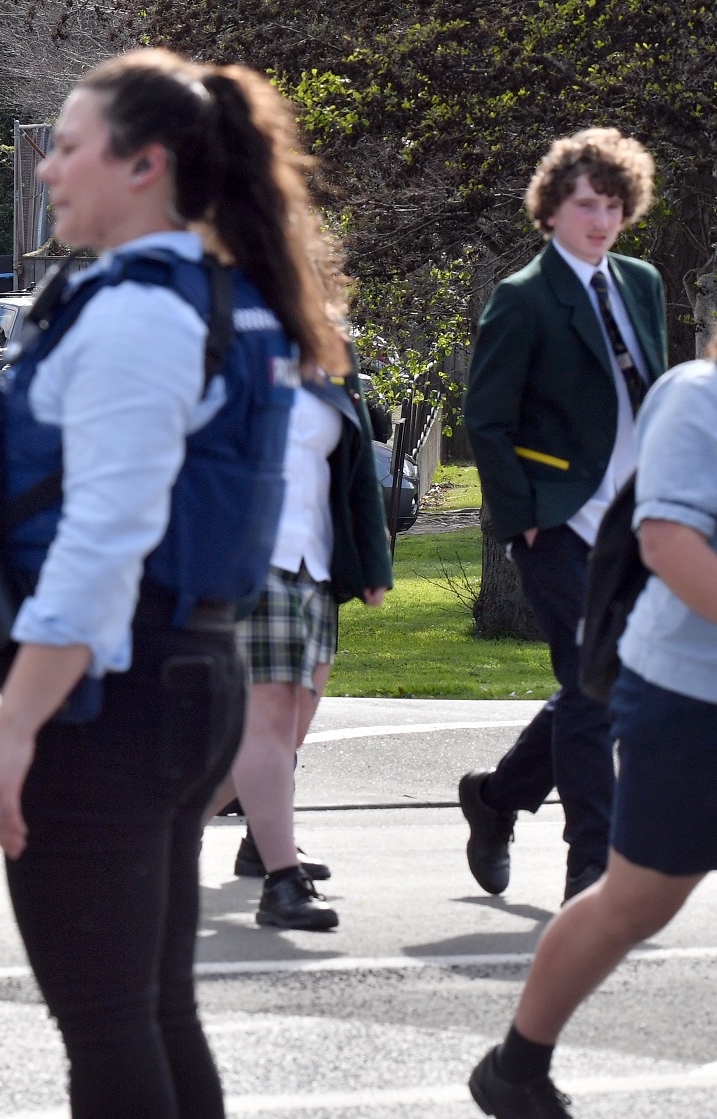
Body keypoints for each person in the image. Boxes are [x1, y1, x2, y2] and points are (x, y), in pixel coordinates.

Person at [0, 48, 342, 1118]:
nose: (47, 169)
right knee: (154, 1008)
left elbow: (101, 542)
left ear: (145, 166)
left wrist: (18, 726)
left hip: (112, 694)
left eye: (69, 147)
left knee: (111, 1025)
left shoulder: (140, 313)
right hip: (185, 670)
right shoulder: (225, 303)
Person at [467, 351, 717, 1119]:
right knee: (635, 903)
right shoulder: (695, 397)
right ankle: (516, 1066)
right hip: (686, 692)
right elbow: (670, 544)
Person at [460, 128, 667, 905]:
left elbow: (651, 392)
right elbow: (486, 419)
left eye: (613, 205)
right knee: (590, 684)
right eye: (586, 204)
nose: (601, 219)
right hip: (558, 521)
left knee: (603, 682)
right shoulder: (522, 298)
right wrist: (524, 516)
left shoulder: (640, 282)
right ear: (552, 208)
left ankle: (497, 796)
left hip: (637, 520)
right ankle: (592, 864)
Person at [211, 348, 392, 931]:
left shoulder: (327, 342)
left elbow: (355, 460)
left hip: (316, 561)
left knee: (287, 727)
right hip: (251, 555)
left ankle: (170, 843)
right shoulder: (221, 326)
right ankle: (282, 881)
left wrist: (372, 562)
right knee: (271, 716)